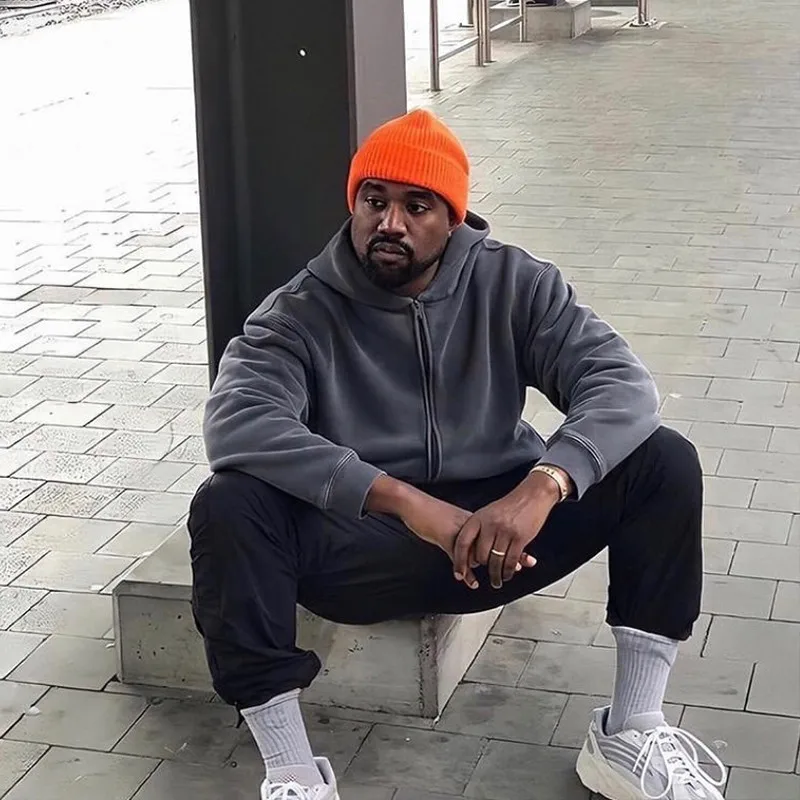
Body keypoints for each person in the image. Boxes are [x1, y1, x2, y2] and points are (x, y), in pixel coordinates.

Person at [189, 109, 727, 800]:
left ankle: (630, 730)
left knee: (663, 460)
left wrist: (544, 485)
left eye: (417, 206)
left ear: (453, 219)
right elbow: (237, 422)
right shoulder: (299, 312)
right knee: (228, 503)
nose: (390, 223)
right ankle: (292, 772)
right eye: (374, 201)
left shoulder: (514, 283)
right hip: (370, 547)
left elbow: (620, 382)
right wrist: (402, 500)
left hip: (507, 540)